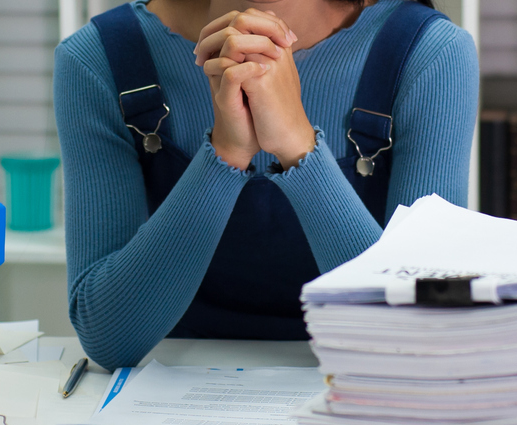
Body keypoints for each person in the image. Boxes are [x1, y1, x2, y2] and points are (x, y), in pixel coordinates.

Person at [54, 0, 477, 369]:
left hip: (360, 408)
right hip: (168, 406)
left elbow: (422, 336)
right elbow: (109, 337)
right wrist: (224, 154)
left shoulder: (429, 54)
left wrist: (299, 146)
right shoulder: (100, 59)